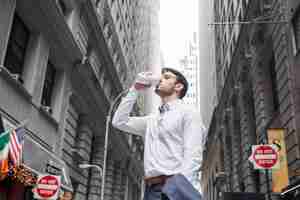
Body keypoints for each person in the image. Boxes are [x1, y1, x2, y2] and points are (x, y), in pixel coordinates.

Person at [112, 68, 205, 200]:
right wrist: (135, 88)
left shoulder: (189, 113)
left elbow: (193, 155)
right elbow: (119, 121)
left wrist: (176, 191)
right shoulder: (152, 119)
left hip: (175, 189)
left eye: (167, 77)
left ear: (178, 86)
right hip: (151, 190)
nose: (161, 79)